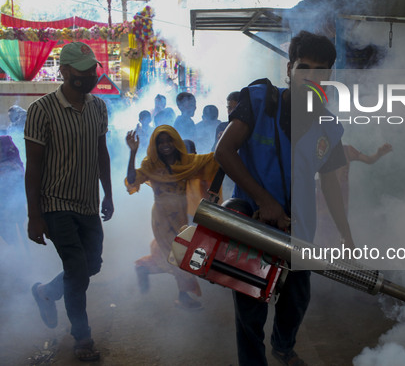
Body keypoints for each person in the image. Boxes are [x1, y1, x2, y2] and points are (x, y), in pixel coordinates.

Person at [215, 30, 354, 366]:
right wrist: (265, 201)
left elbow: (331, 184)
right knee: (250, 303)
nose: (311, 77)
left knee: (296, 298)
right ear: (289, 68)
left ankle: (283, 346)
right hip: (253, 222)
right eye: (304, 67)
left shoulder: (328, 126)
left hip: (298, 227)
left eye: (321, 71)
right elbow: (224, 151)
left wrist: (346, 235)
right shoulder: (259, 100)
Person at [24, 42, 114, 362]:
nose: (89, 75)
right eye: (82, 70)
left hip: (88, 203)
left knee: (92, 265)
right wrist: (34, 216)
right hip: (55, 203)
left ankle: (46, 292)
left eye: (92, 69)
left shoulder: (98, 107)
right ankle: (82, 337)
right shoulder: (41, 110)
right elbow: (32, 168)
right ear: (63, 71)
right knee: (77, 269)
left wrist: (109, 193)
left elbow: (101, 153)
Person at [125, 125, 219, 309]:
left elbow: (212, 160)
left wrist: (222, 142)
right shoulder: (150, 165)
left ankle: (144, 267)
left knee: (178, 255)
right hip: (161, 218)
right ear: (155, 145)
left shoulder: (187, 163)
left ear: (176, 142)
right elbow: (131, 179)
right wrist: (132, 153)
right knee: (179, 256)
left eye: (169, 140)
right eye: (160, 142)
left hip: (180, 219)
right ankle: (183, 297)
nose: (165, 145)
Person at [315, 143, 392, 247]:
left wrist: (378, 154)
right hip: (324, 198)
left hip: (341, 198)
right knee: (324, 232)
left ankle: (338, 256)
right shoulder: (321, 148)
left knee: (339, 230)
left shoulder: (347, 150)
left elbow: (368, 160)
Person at [0, 135, 27, 247]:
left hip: (12, 190)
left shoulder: (5, 141)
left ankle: (19, 252)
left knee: (13, 225)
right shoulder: (6, 141)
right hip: (13, 190)